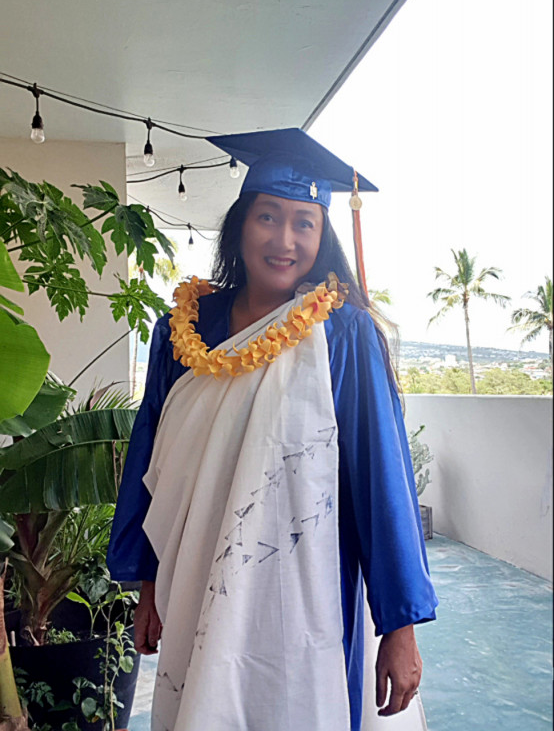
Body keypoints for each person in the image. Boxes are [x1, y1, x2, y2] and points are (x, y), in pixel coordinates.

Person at [107, 128, 438, 731]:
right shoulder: (184, 329)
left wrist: (399, 623)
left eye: (303, 223)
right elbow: (152, 457)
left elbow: (379, 476)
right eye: (268, 217)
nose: (284, 240)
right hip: (196, 567)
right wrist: (146, 586)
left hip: (308, 577)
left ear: (322, 234)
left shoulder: (343, 333)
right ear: (240, 225)